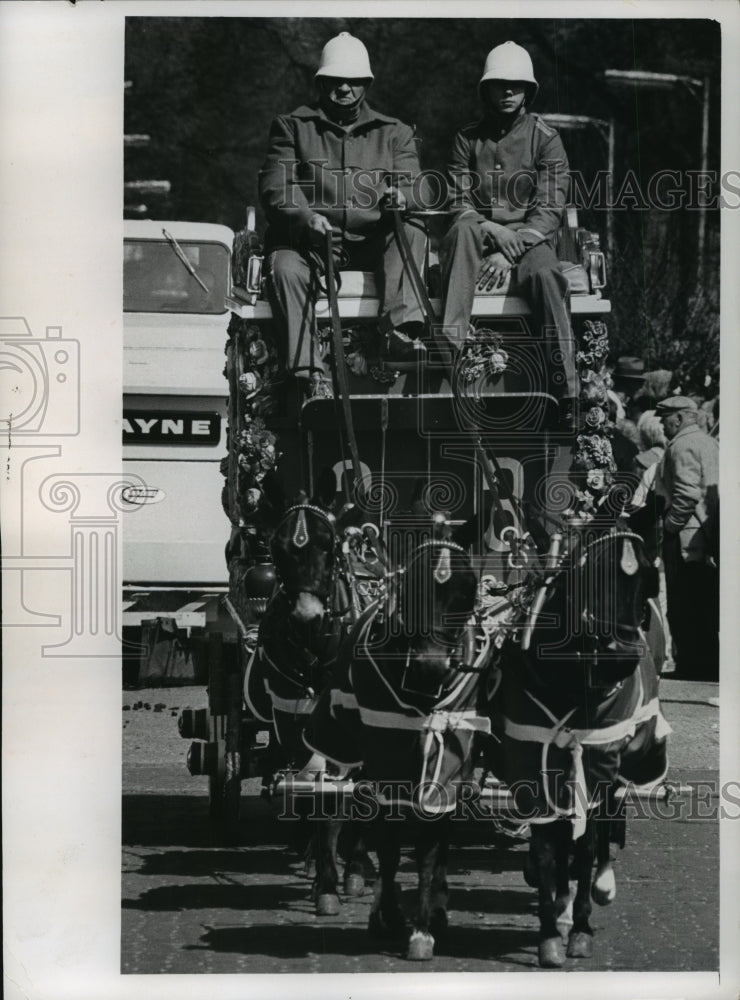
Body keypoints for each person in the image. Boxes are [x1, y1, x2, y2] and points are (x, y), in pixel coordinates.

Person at [258, 32, 427, 398]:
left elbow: (418, 187)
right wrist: (306, 218)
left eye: (353, 81)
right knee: (285, 267)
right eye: (336, 81)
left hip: (374, 242)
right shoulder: (292, 126)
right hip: (312, 245)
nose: (345, 88)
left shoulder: (394, 132)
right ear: (322, 83)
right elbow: (276, 185)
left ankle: (399, 332)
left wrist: (402, 195)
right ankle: (310, 374)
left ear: (366, 84)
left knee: (413, 230)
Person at [439, 42, 574, 413]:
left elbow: (550, 206)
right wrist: (494, 233)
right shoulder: (467, 138)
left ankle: (565, 387)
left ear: (529, 91)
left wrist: (509, 250)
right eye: (500, 84)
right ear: (486, 90)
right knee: (463, 230)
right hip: (476, 236)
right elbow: (458, 200)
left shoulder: (546, 139)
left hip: (529, 241)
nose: (508, 92)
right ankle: (449, 351)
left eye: (517, 85)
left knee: (548, 274)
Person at [654, 396, 719, 681]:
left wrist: (669, 525)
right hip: (705, 532)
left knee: (685, 600)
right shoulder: (708, 442)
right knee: (702, 601)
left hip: (687, 536)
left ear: (679, 418)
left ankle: (693, 664)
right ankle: (704, 661)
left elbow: (687, 494)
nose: (661, 424)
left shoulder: (681, 445)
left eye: (665, 418)